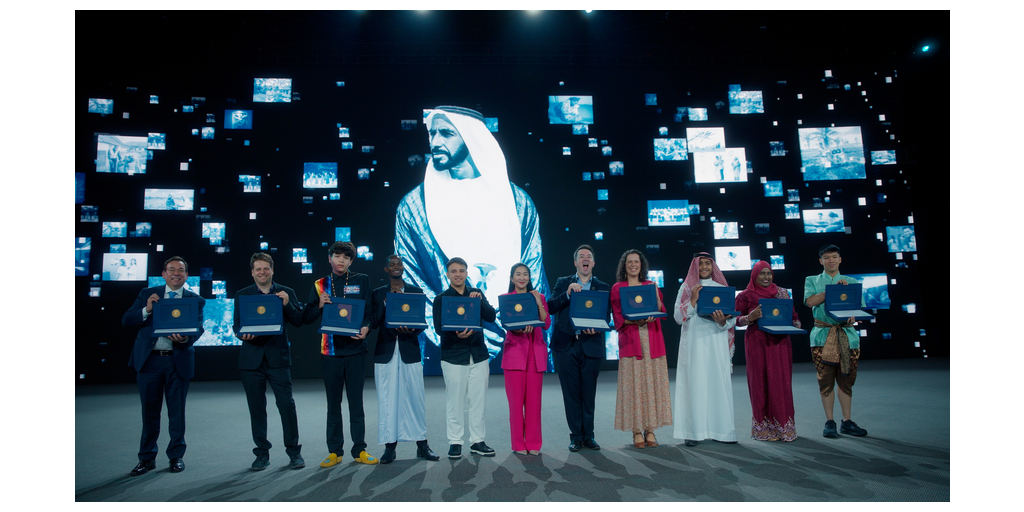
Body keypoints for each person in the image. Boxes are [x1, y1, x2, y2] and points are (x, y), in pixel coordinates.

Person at [394, 105, 549, 370]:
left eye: (446, 133)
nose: (435, 141)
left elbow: (531, 272)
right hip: (448, 342)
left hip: (516, 335)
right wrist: (454, 327)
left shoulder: (519, 203)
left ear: (471, 137)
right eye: (432, 133)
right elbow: (413, 282)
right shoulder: (414, 207)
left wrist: (514, 321)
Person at [121, 256, 205, 475]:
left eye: (181, 270)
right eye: (172, 269)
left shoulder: (195, 300)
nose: (176, 273)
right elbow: (126, 320)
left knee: (177, 413)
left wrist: (185, 339)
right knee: (149, 413)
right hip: (150, 361)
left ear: (186, 275)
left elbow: (198, 328)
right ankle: (146, 458)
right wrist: (147, 309)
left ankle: (176, 456)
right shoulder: (147, 294)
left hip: (177, 361)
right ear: (164, 274)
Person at [303, 241, 378, 467]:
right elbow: (307, 317)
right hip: (331, 352)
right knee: (333, 404)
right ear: (330, 259)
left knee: (356, 403)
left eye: (346, 257)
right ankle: (335, 451)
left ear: (351, 261)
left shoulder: (362, 280)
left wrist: (366, 328)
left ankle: (359, 449)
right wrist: (319, 305)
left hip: (356, 351)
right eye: (337, 256)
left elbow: (369, 313)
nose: (341, 260)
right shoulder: (320, 284)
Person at [233, 252, 305, 470]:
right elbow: (237, 325)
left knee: (286, 406)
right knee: (256, 408)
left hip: (278, 359)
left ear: (272, 270)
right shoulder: (242, 294)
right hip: (251, 361)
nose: (262, 272)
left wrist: (287, 304)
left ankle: (294, 452)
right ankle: (261, 453)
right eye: (258, 269)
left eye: (266, 268)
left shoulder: (286, 292)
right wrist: (241, 334)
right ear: (252, 272)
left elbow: (299, 321)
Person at [368, 255, 440, 464]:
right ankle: (390, 447)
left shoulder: (416, 292)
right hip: (385, 351)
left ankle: (422, 445)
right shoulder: (378, 293)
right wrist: (385, 303)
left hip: (410, 350)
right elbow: (374, 322)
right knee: (387, 399)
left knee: (415, 397)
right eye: (392, 264)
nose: (396, 267)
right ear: (386, 269)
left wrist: (411, 330)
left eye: (399, 264)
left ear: (403, 268)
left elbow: (421, 322)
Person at [432, 257, 498, 459]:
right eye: (453, 271)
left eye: (461, 270)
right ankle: (455, 442)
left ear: (467, 273)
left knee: (478, 400)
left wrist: (480, 300)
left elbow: (491, 317)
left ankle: (477, 441)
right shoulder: (441, 299)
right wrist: (457, 335)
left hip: (478, 354)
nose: (458, 274)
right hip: (453, 355)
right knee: (455, 400)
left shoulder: (476, 294)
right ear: (447, 274)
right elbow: (438, 328)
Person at [546, 244, 609, 451]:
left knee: (588, 393)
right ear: (575, 262)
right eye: (581, 256)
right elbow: (550, 307)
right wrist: (567, 294)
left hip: (591, 344)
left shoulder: (602, 287)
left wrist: (596, 328)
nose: (585, 259)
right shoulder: (563, 282)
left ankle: (589, 435)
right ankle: (575, 436)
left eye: (588, 256)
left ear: (593, 263)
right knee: (571, 393)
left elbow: (606, 316)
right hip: (566, 345)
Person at [672, 252, 738, 446]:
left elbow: (731, 319)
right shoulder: (686, 288)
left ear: (713, 266)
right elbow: (677, 317)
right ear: (695, 266)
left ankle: (722, 432)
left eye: (707, 264)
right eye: (700, 264)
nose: (704, 268)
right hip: (694, 345)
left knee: (718, 384)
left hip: (717, 343)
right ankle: (693, 432)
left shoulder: (722, 288)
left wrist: (723, 321)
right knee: (695, 385)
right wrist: (693, 299)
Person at [803, 244, 868, 439]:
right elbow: (810, 302)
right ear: (820, 261)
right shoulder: (812, 280)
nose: (831, 260)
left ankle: (847, 421)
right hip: (821, 336)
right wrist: (831, 291)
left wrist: (854, 317)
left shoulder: (852, 282)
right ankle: (829, 421)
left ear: (840, 259)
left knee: (846, 380)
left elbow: (859, 309)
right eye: (827, 257)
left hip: (848, 336)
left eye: (834, 257)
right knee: (825, 381)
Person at [610, 249, 670, 449]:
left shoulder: (650, 285)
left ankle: (650, 429)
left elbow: (660, 310)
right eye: (630, 262)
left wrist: (656, 293)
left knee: (651, 386)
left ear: (641, 265)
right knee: (634, 387)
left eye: (636, 261)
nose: (633, 265)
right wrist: (636, 321)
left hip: (652, 339)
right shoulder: (617, 288)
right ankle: (637, 430)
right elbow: (618, 317)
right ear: (624, 265)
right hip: (631, 342)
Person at [734, 260, 800, 442]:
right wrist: (750, 317)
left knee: (780, 383)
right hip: (757, 344)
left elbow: (794, 317)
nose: (766, 277)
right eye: (762, 273)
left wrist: (795, 324)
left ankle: (783, 427)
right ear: (754, 275)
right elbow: (734, 319)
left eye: (768, 273)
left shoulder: (782, 293)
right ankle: (763, 428)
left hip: (780, 344)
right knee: (759, 383)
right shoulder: (745, 295)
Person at [500, 263, 550, 455]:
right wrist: (519, 329)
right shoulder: (506, 299)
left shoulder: (539, 297)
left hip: (535, 355)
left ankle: (534, 443)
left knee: (534, 404)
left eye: (525, 274)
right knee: (515, 404)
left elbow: (546, 323)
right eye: (518, 274)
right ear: (512, 278)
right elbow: (506, 323)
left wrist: (538, 303)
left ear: (529, 277)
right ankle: (518, 443)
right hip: (515, 355)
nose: (522, 277)